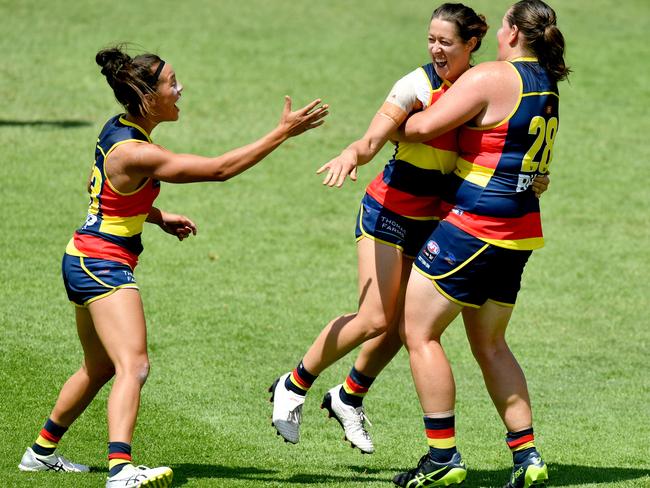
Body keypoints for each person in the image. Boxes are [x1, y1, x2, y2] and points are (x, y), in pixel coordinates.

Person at [18, 46, 327, 488]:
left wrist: (159, 217)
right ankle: (121, 470)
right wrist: (281, 133)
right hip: (101, 265)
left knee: (100, 367)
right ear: (147, 96)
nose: (180, 90)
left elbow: (113, 195)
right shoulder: (137, 152)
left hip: (84, 256)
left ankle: (40, 453)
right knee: (134, 365)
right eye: (172, 84)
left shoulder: (121, 130)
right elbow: (220, 170)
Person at [271, 3, 515, 453]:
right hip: (390, 209)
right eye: (431, 39)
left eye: (446, 41)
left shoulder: (481, 87)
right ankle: (293, 383)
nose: (436, 49)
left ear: (471, 45)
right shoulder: (414, 84)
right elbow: (372, 138)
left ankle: (348, 398)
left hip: (438, 220)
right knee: (375, 318)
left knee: (404, 328)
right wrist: (352, 153)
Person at [388, 1, 570, 487]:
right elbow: (527, 160)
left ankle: (442, 455)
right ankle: (527, 457)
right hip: (520, 231)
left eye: (503, 22)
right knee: (490, 344)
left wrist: (389, 120)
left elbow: (424, 127)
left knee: (420, 333)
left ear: (511, 31)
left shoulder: (491, 76)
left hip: (474, 226)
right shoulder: (546, 82)